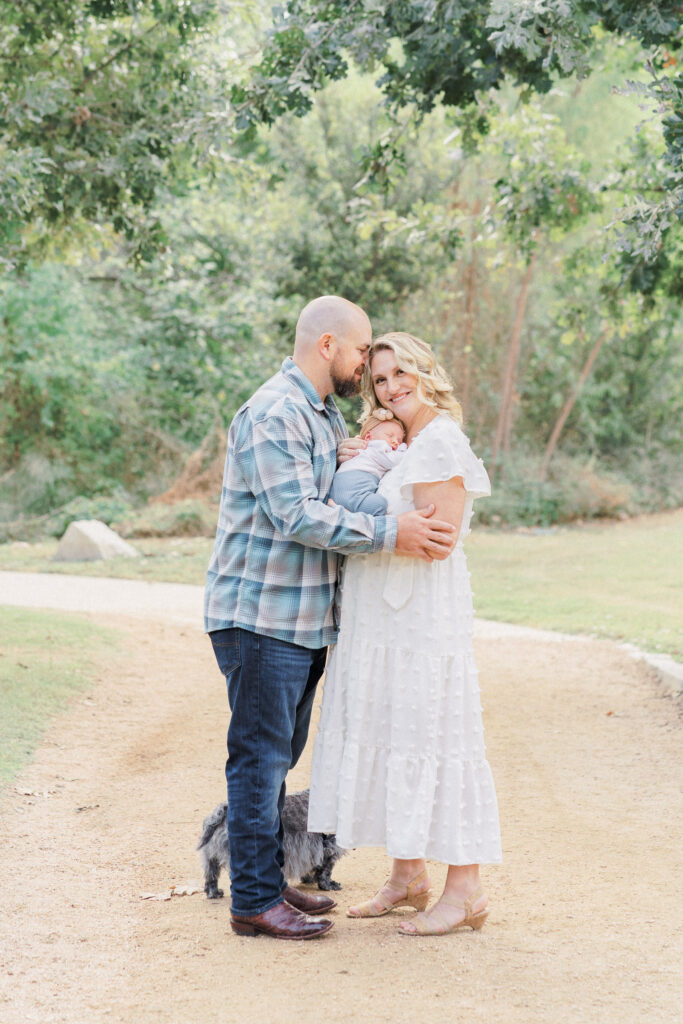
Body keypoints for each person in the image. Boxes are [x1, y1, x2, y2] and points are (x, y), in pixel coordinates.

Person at [204, 298, 458, 941]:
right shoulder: (274, 412)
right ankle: (254, 902)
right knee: (259, 757)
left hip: (299, 620)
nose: (365, 364)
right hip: (261, 615)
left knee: (278, 754)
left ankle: (265, 881)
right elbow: (298, 515)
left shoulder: (321, 414)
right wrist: (388, 532)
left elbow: (331, 490)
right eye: (359, 351)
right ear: (326, 346)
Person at [308, 331, 502, 936]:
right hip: (378, 624)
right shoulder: (396, 440)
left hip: (419, 625)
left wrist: (366, 512)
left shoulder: (440, 440)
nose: (391, 388)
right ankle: (407, 876)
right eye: (381, 379)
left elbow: (438, 540)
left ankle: (464, 889)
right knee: (394, 733)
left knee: (434, 737)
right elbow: (398, 522)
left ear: (423, 370)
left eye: (399, 374)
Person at [328, 410, 406, 515]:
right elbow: (393, 460)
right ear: (368, 437)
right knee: (380, 504)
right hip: (353, 487)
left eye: (399, 440)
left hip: (339, 489)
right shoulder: (376, 447)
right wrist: (403, 447)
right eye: (389, 435)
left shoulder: (366, 450)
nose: (395, 441)